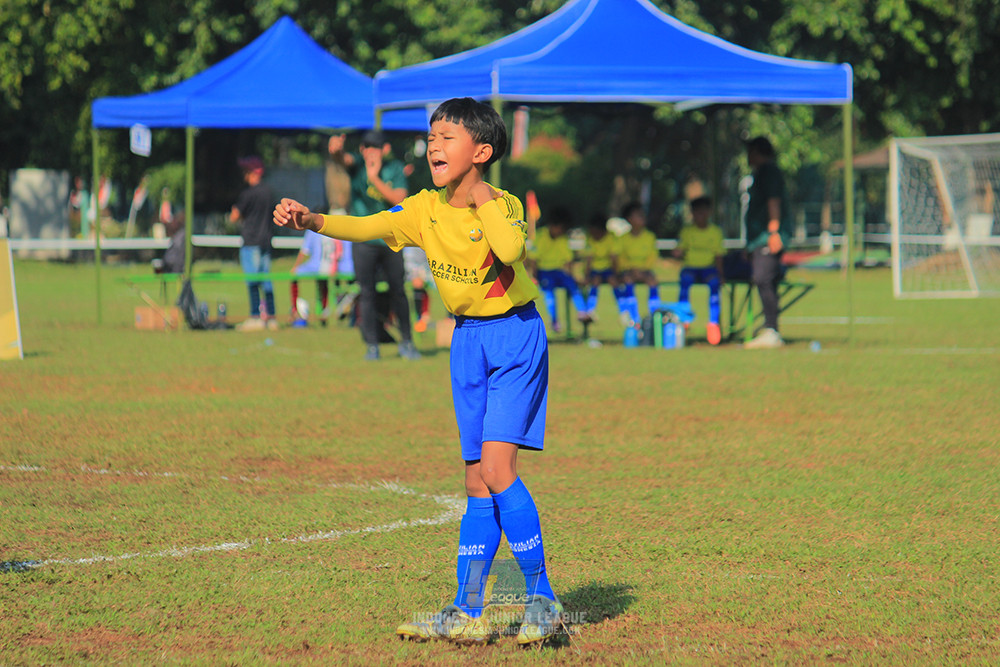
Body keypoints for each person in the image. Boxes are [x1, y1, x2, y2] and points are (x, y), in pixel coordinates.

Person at [274, 97, 562, 646]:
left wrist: (481, 199)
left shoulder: (501, 203)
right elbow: (367, 224)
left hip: (514, 336)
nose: (433, 145)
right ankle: (468, 610)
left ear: (481, 152)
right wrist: (309, 219)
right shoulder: (425, 208)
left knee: (499, 469)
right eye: (431, 137)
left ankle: (543, 600)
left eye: (447, 137)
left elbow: (511, 250)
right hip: (466, 342)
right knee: (477, 480)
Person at [328, 130, 419, 360]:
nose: (369, 151)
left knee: (398, 291)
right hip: (364, 243)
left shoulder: (394, 168)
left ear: (384, 149)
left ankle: (407, 342)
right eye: (365, 146)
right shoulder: (357, 165)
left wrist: (375, 177)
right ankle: (372, 346)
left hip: (392, 240)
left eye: (374, 147)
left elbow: (399, 199)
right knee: (366, 293)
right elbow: (343, 159)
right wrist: (337, 150)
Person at [743, 136, 791, 349]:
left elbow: (773, 201)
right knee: (763, 279)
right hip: (758, 239)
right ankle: (770, 329)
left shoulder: (769, 171)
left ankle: (772, 330)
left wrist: (773, 232)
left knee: (763, 278)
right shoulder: (760, 173)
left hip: (767, 237)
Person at [230, 155, 277, 331]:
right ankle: (271, 317)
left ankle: (255, 316)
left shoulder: (247, 194)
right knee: (266, 280)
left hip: (251, 242)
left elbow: (234, 216)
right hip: (266, 240)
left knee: (252, 281)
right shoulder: (269, 192)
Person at [527, 206, 589, 333]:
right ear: (553, 225)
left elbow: (568, 261)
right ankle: (554, 320)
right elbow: (533, 260)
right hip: (544, 272)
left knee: (572, 285)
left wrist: (575, 277)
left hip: (559, 272)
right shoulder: (540, 236)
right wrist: (533, 276)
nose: (561, 232)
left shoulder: (563, 239)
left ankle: (582, 312)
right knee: (549, 292)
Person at [673, 195, 725, 345]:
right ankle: (684, 317)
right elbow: (681, 250)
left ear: (709, 212)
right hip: (691, 268)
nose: (700, 215)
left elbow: (719, 256)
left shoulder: (715, 232)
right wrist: (677, 253)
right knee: (685, 281)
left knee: (715, 284)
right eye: (697, 212)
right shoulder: (687, 232)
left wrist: (721, 274)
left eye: (703, 212)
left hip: (708, 269)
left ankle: (713, 323)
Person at [616, 202, 661, 327]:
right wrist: (631, 268)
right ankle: (634, 317)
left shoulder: (650, 236)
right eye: (638, 215)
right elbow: (620, 258)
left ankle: (655, 316)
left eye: (642, 215)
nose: (642, 217)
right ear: (629, 219)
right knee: (627, 280)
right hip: (629, 271)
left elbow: (653, 256)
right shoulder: (623, 238)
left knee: (653, 281)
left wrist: (642, 269)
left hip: (645, 270)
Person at [289, 229, 342, 327]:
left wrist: (295, 266)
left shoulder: (312, 230)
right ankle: (326, 311)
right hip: (331, 267)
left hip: (316, 266)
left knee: (294, 274)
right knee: (324, 284)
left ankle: (295, 310)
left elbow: (304, 251)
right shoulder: (332, 228)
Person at [582, 213, 621, 320]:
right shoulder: (590, 240)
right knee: (595, 280)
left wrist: (616, 274)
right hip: (595, 271)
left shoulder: (611, 238)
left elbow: (614, 259)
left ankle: (623, 310)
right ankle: (590, 311)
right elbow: (589, 261)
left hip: (607, 270)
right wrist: (586, 275)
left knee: (614, 281)